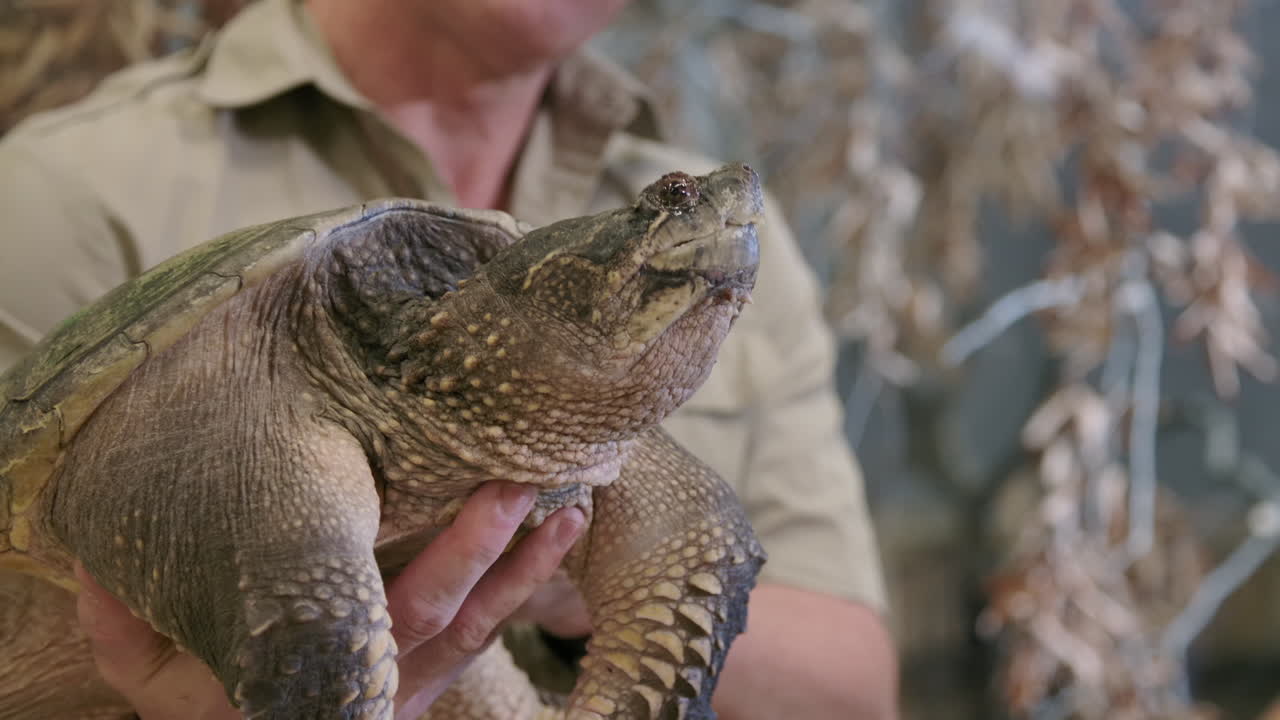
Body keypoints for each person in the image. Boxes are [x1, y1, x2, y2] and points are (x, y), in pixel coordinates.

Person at [0, 0, 899, 717]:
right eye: (670, 205)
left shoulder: (741, 247)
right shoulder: (66, 190)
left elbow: (851, 692)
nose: (719, 218)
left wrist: (541, 575)